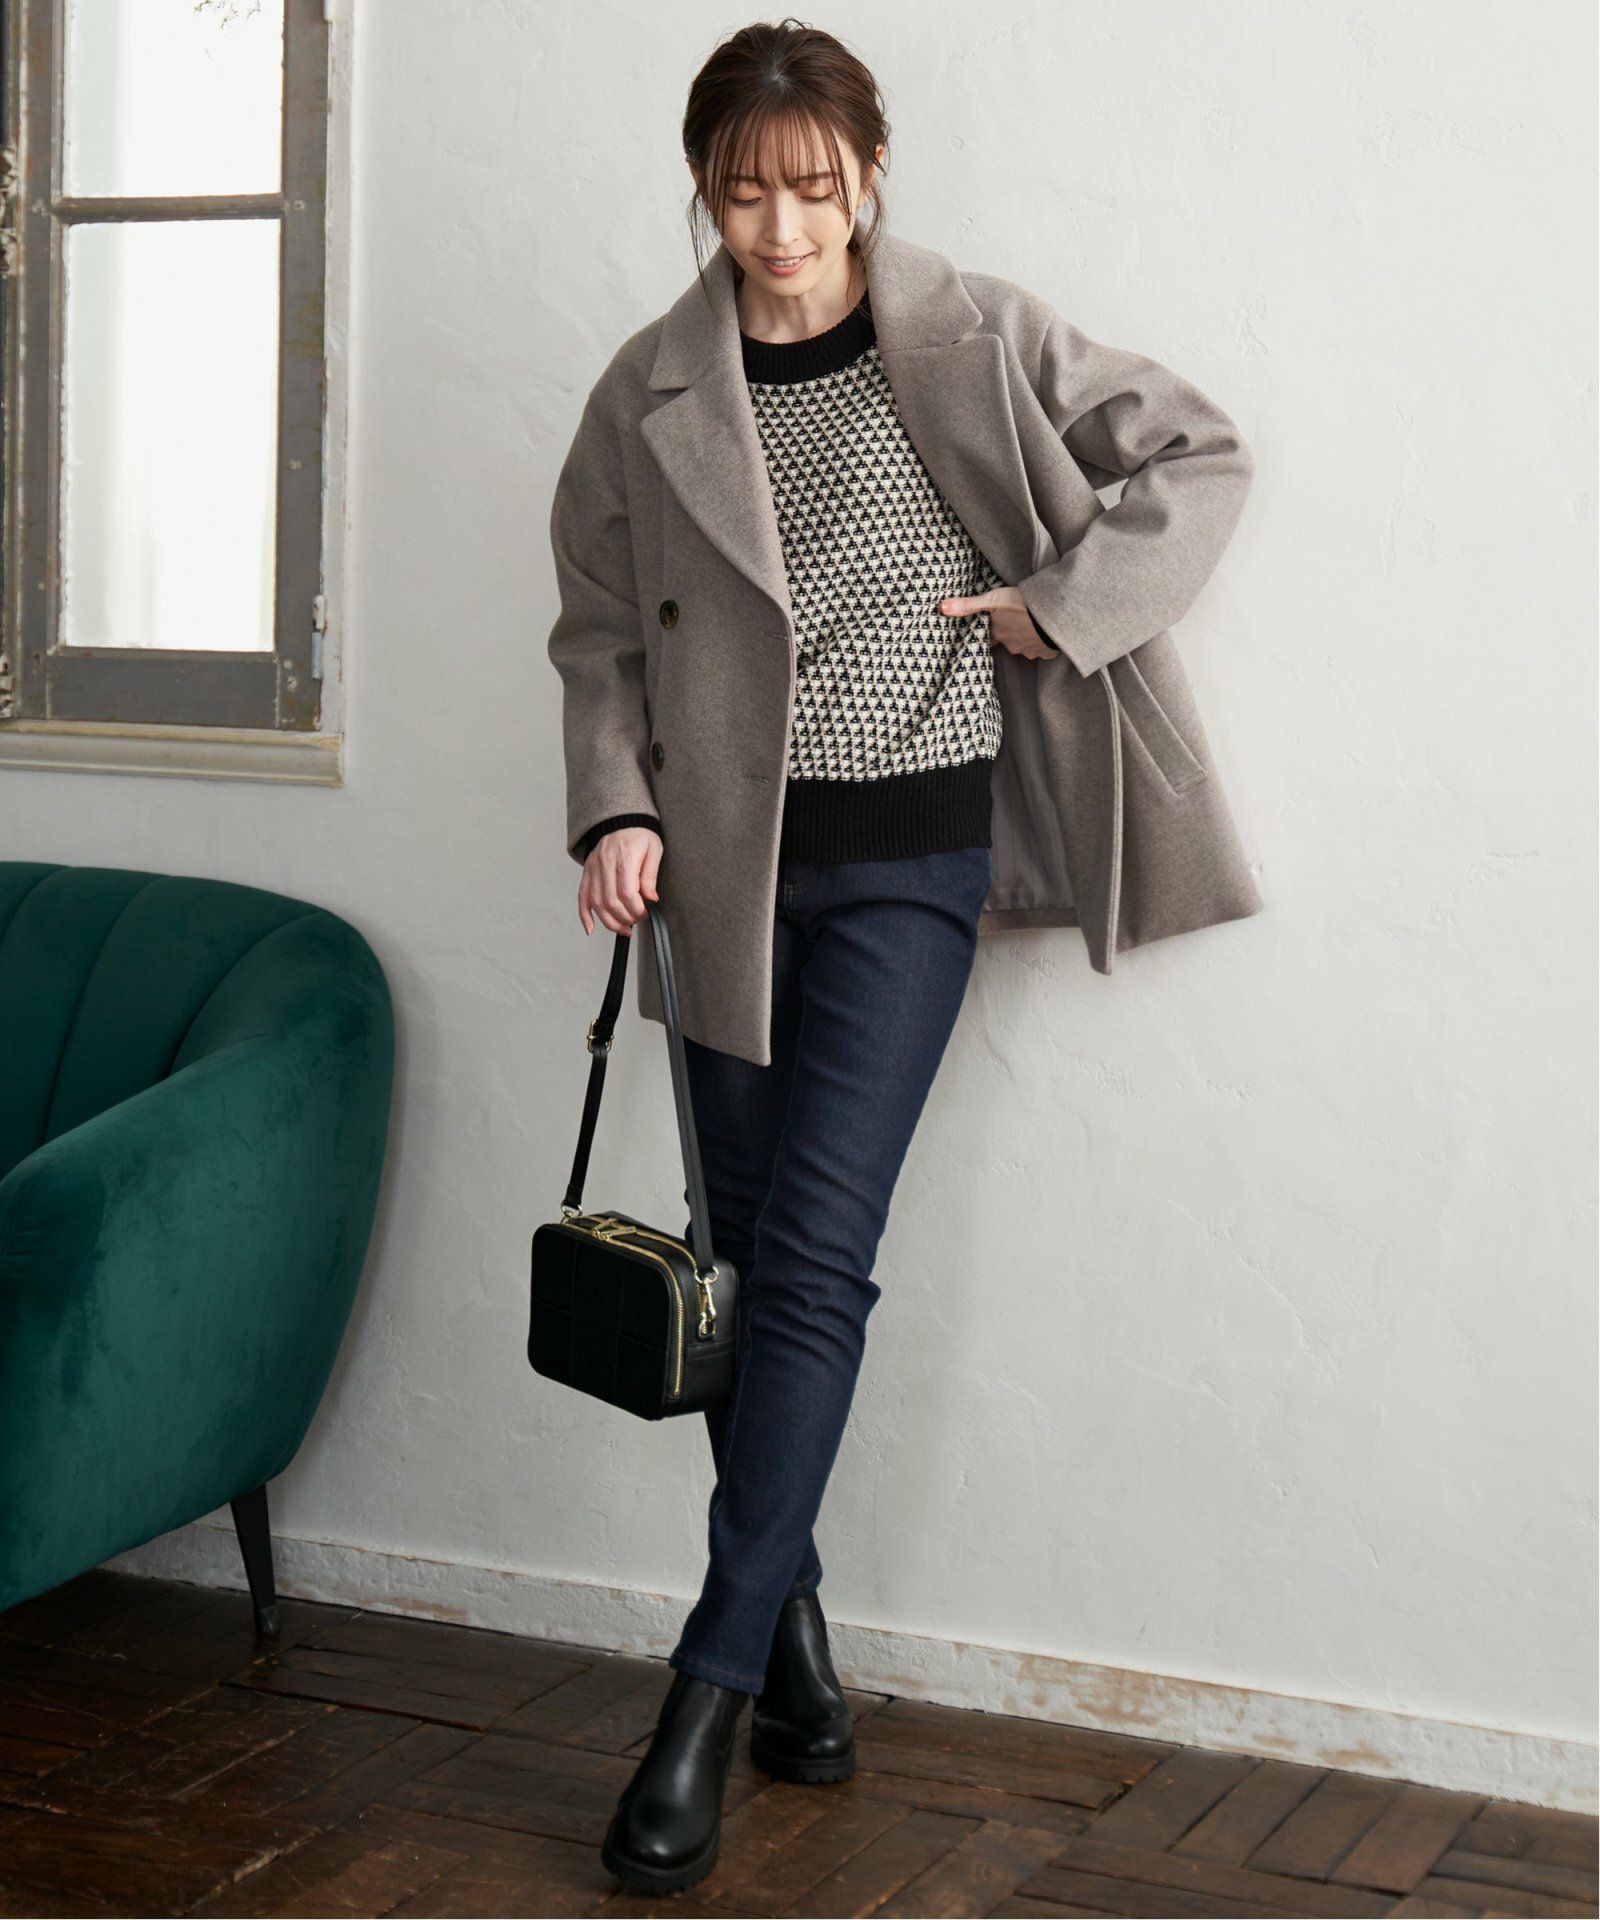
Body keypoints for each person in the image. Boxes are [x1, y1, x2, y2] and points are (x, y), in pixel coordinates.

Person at [546, 19, 1255, 1899]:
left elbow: (1197, 451)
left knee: (817, 1258)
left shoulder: (976, 335)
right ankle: (792, 1642)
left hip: (909, 864)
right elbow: (597, 630)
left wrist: (1060, 607)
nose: (781, 229)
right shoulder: (649, 388)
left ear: (868, 175)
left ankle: (700, 1694)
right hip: (717, 878)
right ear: (702, 192)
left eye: (813, 187)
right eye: (744, 192)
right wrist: (612, 809)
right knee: (745, 1254)